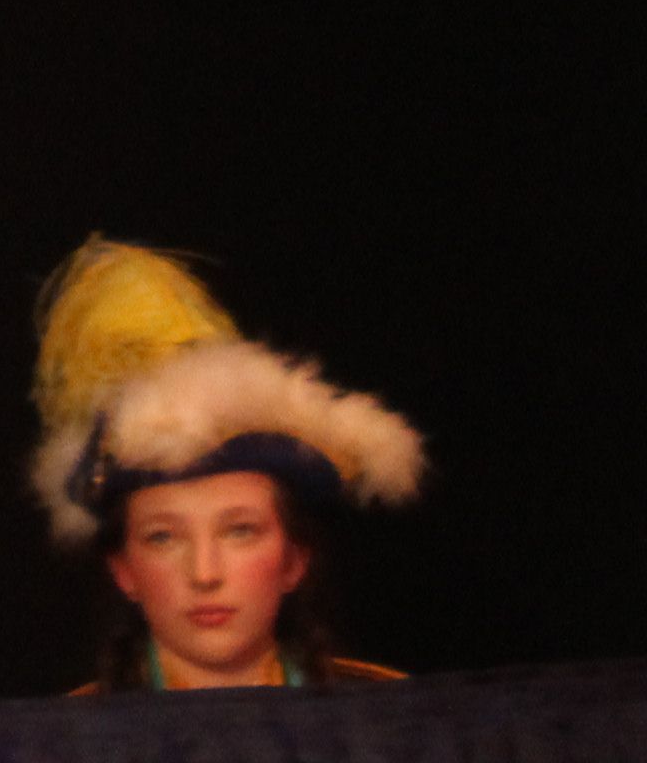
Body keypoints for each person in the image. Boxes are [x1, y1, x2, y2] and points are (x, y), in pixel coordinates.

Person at [25, 241, 418, 694]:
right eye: (163, 537)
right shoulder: (63, 733)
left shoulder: (391, 719)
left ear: (294, 559)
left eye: (240, 531)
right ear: (124, 571)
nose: (205, 574)